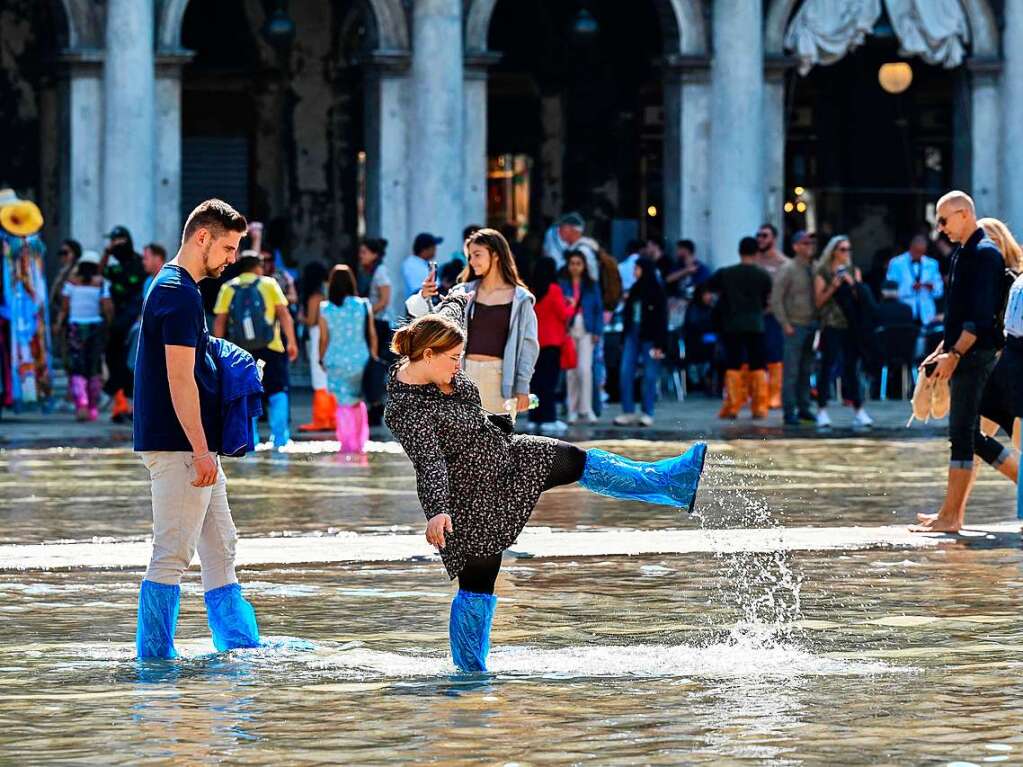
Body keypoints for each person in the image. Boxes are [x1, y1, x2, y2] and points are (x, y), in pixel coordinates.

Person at [384, 303, 707, 672]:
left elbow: (455, 309)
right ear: (428, 355)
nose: (459, 365)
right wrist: (439, 510)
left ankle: (671, 482)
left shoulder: (436, 364)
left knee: (575, 459)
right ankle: (469, 676)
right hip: (471, 499)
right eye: (454, 358)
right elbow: (431, 461)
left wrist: (447, 296)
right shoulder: (404, 409)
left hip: (507, 456)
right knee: (478, 582)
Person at [133, 198, 260, 659]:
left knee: (221, 546)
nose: (232, 259)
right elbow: (178, 377)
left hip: (188, 444)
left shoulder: (172, 286)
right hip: (182, 446)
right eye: (227, 248)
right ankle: (154, 661)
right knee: (171, 554)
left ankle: (240, 648)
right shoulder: (178, 292)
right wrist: (202, 450)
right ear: (201, 237)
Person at [910, 193, 1007, 532]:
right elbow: (958, 316)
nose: (940, 229)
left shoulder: (984, 255)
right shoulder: (963, 254)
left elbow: (978, 319)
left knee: (964, 434)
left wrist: (954, 354)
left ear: (964, 214)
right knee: (967, 434)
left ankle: (951, 517)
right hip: (964, 352)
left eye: (944, 220)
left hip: (975, 355)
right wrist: (941, 350)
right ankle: (950, 513)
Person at [407, 228, 537, 420]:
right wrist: (424, 298)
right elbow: (435, 323)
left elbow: (528, 347)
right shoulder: (462, 292)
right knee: (459, 446)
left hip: (501, 381)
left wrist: (523, 386)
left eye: (477, 255)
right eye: (470, 256)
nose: (472, 262)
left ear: (496, 255)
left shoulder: (521, 299)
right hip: (462, 377)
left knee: (496, 446)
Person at [213, 249, 299, 450]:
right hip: (271, 348)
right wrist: (292, 342)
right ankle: (280, 440)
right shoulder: (269, 284)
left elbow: (220, 321)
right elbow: (284, 314)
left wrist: (218, 350)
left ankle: (249, 441)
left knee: (247, 393)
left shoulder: (229, 287)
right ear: (258, 266)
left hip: (241, 352)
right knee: (277, 391)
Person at [707, 237, 773, 419]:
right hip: (756, 324)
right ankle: (759, 406)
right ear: (756, 252)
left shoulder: (726, 273)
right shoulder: (763, 275)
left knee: (733, 364)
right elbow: (769, 300)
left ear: (739, 251)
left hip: (732, 324)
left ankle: (733, 406)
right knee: (758, 365)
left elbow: (708, 288)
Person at [813, 235, 874, 429]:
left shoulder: (853, 270)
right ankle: (822, 409)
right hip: (831, 323)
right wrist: (834, 286)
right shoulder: (822, 271)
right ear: (833, 251)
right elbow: (818, 302)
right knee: (827, 366)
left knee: (851, 367)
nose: (846, 253)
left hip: (851, 324)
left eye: (848, 249)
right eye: (843, 249)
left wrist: (852, 283)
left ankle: (858, 409)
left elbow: (861, 299)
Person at [320, 264, 377, 453]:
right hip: (360, 358)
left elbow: (324, 338)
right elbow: (371, 333)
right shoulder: (363, 305)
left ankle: (346, 443)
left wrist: (321, 358)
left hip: (335, 359)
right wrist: (374, 356)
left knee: (343, 403)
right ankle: (360, 443)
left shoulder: (325, 308)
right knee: (357, 400)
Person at [54, 250, 113, 421]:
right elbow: (108, 308)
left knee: (77, 368)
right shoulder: (102, 284)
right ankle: (93, 407)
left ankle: (81, 405)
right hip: (95, 329)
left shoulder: (70, 283)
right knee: (93, 368)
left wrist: (58, 324)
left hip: (75, 329)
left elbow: (64, 308)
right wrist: (109, 324)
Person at [770, 230, 818, 425]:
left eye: (811, 243)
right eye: (805, 243)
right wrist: (785, 323)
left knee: (806, 369)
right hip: (794, 324)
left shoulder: (814, 268)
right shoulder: (788, 268)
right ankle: (789, 410)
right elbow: (776, 298)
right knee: (791, 370)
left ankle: (804, 406)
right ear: (796, 246)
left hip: (811, 324)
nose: (809, 247)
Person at [100, 225, 146, 423]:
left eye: (118, 240)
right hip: (117, 323)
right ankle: (120, 407)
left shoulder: (138, 262)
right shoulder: (114, 266)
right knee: (114, 360)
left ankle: (130, 406)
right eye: (113, 240)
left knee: (129, 364)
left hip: (133, 321)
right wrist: (107, 252)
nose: (116, 244)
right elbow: (99, 272)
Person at [614, 257, 668, 426]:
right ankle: (628, 411)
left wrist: (660, 343)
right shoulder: (635, 289)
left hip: (651, 338)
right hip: (632, 334)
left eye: (637, 268)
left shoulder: (657, 291)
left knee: (650, 375)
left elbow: (662, 319)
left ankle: (647, 412)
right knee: (625, 371)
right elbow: (627, 316)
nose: (634, 272)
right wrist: (623, 337)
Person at [559, 249, 604, 423]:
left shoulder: (592, 285)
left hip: (587, 329)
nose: (575, 267)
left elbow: (599, 310)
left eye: (579, 263)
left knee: (585, 370)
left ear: (584, 265)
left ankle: (586, 409)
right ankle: (572, 409)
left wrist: (597, 331)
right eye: (572, 263)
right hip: (569, 329)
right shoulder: (563, 284)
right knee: (571, 371)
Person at [529, 256, 572, 433]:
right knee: (549, 383)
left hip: (534, 343)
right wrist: (572, 305)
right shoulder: (554, 289)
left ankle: (534, 418)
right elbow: (563, 314)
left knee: (536, 383)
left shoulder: (531, 290)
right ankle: (549, 418)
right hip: (552, 343)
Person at [356, 237, 393, 426]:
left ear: (374, 254)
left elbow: (385, 300)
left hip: (379, 323)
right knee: (370, 364)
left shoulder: (380, 272)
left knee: (376, 364)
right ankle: (373, 404)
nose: (361, 256)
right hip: (372, 320)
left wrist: (368, 314)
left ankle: (377, 405)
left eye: (364, 252)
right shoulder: (369, 271)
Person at [298, 261, 336, 433]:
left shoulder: (315, 296)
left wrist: (300, 318)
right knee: (329, 378)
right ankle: (333, 418)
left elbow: (312, 321)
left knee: (319, 377)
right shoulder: (331, 292)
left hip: (317, 336)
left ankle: (321, 419)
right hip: (331, 336)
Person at [756, 223, 789, 410]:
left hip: (774, 316)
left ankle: (775, 395)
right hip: (754, 315)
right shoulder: (754, 261)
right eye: (758, 235)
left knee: (774, 356)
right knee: (754, 356)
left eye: (764, 236)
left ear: (773, 239)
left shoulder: (782, 263)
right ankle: (757, 395)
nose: (760, 239)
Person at [886, 234, 944, 325]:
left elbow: (939, 291)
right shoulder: (896, 263)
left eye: (922, 252)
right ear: (911, 248)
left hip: (927, 313)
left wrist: (932, 287)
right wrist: (910, 288)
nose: (919, 255)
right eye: (917, 251)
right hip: (906, 311)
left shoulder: (932, 264)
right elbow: (890, 291)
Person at [402, 232, 443, 299]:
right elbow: (418, 290)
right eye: (433, 247)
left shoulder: (422, 263)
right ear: (425, 249)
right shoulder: (412, 264)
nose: (435, 249)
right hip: (418, 305)